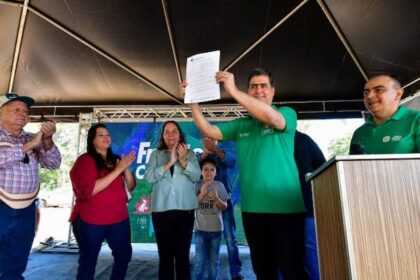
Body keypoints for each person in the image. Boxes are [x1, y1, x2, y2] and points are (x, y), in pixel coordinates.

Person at [181, 68, 307, 279]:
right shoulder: (242, 125)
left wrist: (234, 91)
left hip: (287, 210)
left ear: (273, 91)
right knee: (263, 270)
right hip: (253, 211)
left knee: (292, 270)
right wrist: (192, 103)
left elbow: (274, 119)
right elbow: (209, 132)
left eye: (263, 86)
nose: (258, 90)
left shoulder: (286, 113)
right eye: (253, 87)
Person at [0, 92, 61, 279]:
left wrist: (47, 139)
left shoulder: (31, 137)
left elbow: (54, 163)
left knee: (17, 262)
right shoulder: (30, 141)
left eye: (25, 111)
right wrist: (28, 146)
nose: (23, 113)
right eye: (16, 109)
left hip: (26, 208)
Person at [69, 124, 136, 280]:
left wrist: (124, 168)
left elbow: (131, 186)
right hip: (91, 222)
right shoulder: (85, 160)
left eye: (108, 135)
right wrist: (119, 169)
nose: (106, 138)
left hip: (119, 220)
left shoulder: (116, 160)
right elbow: (90, 190)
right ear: (92, 140)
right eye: (101, 135)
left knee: (124, 257)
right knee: (88, 262)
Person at [145, 120, 201, 280]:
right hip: (161, 212)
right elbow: (149, 177)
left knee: (182, 257)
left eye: (174, 131)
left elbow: (197, 176)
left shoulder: (190, 154)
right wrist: (169, 162)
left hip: (185, 211)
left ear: (180, 134)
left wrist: (183, 160)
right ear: (162, 135)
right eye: (167, 131)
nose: (170, 134)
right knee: (165, 257)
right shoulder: (156, 154)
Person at [200, 137, 244, 280]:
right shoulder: (200, 157)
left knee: (230, 238)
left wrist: (215, 150)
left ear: (217, 141)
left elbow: (232, 162)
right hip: (205, 204)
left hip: (224, 201)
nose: (210, 141)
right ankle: (209, 273)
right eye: (207, 139)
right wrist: (203, 155)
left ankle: (235, 272)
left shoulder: (222, 153)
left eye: (213, 139)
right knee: (206, 238)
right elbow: (193, 170)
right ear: (203, 142)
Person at [350, 74, 419, 154]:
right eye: (366, 93)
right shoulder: (359, 132)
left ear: (398, 94)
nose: (369, 96)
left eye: (379, 90)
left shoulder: (416, 120)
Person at [294, 131, 326, 280]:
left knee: (309, 249)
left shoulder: (303, 140)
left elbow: (323, 167)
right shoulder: (269, 142)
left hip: (306, 205)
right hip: (277, 208)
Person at [193, 157, 229, 280]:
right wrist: (202, 193)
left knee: (214, 262)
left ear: (216, 172)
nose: (209, 172)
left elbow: (224, 206)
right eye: (205, 169)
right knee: (199, 262)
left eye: (212, 170)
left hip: (216, 231)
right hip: (200, 231)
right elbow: (191, 205)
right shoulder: (196, 185)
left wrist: (217, 200)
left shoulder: (219, 185)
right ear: (201, 172)